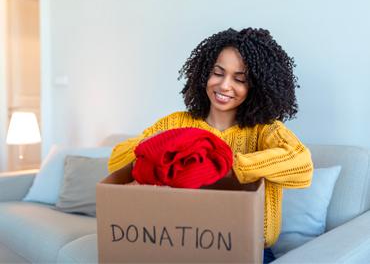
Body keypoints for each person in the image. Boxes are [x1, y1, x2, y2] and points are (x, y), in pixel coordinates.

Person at [108, 27, 313, 263]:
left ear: (256, 87)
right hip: (182, 244)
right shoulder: (177, 123)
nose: (224, 86)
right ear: (205, 73)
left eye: (239, 79)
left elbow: (302, 166)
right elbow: (116, 160)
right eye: (218, 73)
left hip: (249, 249)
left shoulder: (265, 130)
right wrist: (158, 148)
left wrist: (223, 166)